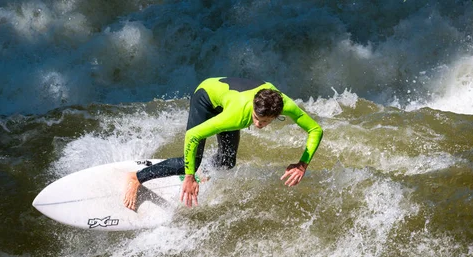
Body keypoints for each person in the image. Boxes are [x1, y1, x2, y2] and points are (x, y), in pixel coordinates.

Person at [123, 77, 323, 210]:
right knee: (189, 161)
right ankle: (136, 178)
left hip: (230, 98)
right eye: (255, 118)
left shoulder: (283, 104)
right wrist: (189, 176)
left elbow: (316, 130)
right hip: (206, 97)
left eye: (264, 122)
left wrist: (302, 164)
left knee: (228, 162)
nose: (258, 124)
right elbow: (193, 135)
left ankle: (204, 173)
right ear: (253, 107)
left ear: (277, 113)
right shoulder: (236, 116)